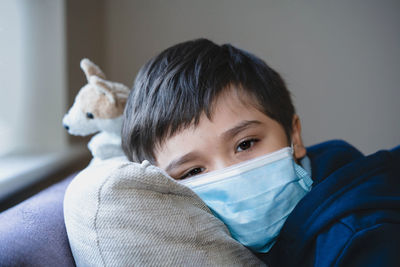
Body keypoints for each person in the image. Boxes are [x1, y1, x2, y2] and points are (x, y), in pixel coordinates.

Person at [121, 38, 400, 266]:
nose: (231, 175)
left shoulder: (360, 237)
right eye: (193, 171)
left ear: (294, 136)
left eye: (246, 144)